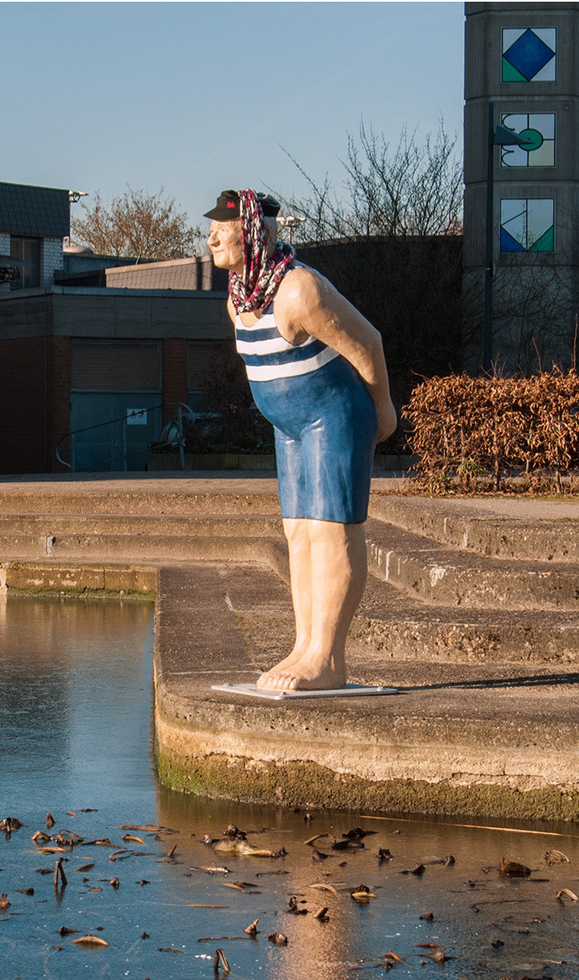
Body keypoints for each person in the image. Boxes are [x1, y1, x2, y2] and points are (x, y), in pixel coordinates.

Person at [205, 189, 398, 691]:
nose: (211, 236)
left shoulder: (299, 291)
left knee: (329, 530)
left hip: (333, 416)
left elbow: (368, 341)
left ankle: (327, 657)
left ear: (253, 230)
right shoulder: (237, 299)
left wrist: (382, 409)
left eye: (223, 226)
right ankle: (304, 645)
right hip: (289, 428)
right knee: (296, 531)